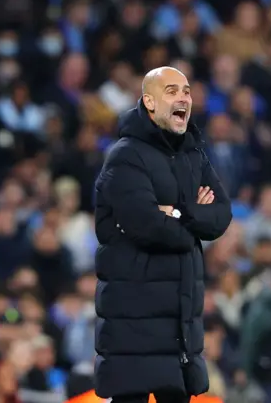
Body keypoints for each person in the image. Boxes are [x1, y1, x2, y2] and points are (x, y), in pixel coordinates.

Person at [93, 67, 232, 403]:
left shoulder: (193, 154)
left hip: (179, 324)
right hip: (134, 326)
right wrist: (191, 224)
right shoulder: (125, 156)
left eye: (186, 90)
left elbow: (220, 216)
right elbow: (148, 225)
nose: (184, 97)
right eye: (172, 91)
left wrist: (178, 212)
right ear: (149, 102)